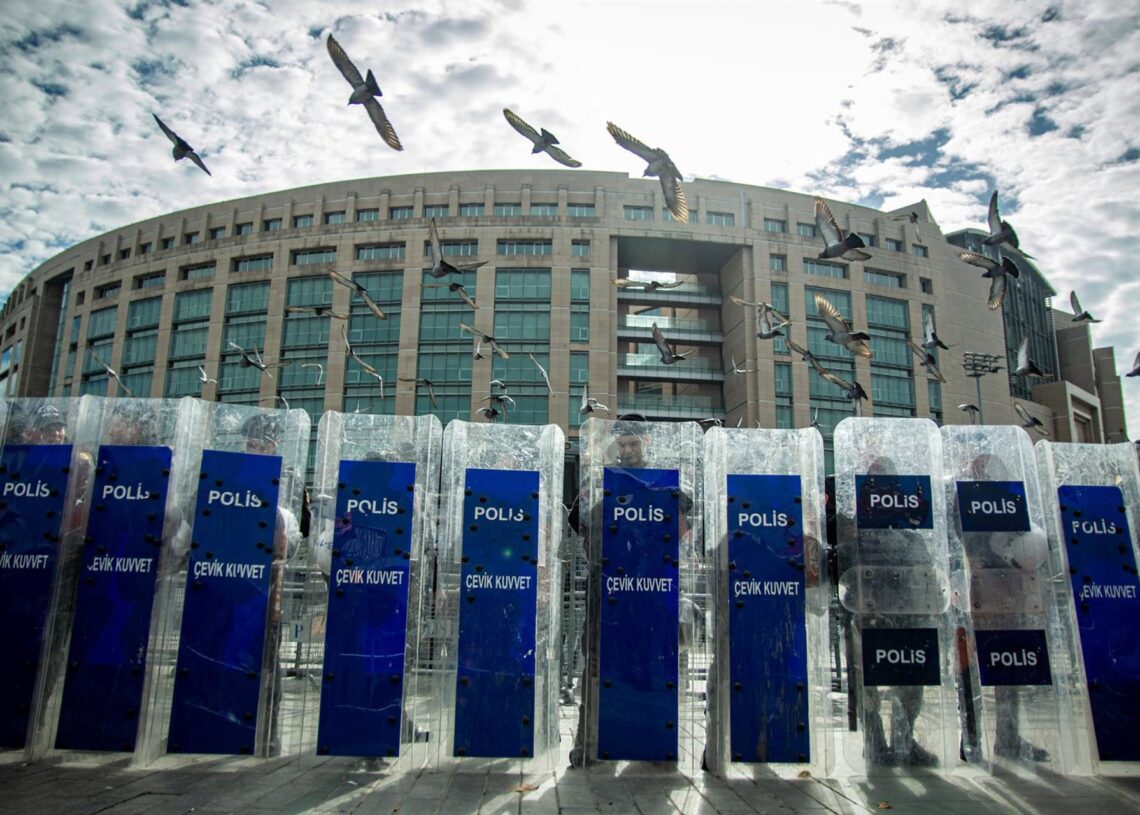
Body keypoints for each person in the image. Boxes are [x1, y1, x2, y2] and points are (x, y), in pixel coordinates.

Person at [956, 453, 1049, 762]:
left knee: (1010, 664)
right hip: (976, 590)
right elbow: (962, 542)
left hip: (1009, 589)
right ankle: (971, 738)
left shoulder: (1010, 499)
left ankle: (1007, 737)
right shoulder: (963, 497)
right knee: (971, 667)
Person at [850, 455, 939, 768]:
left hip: (907, 614)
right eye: (876, 478)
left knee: (912, 679)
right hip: (871, 614)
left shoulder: (909, 532)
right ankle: (874, 741)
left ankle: (904, 738)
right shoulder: (858, 527)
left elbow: (925, 570)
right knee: (868, 681)